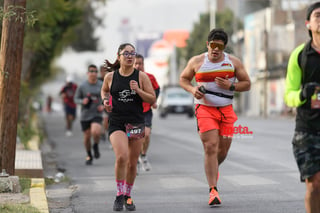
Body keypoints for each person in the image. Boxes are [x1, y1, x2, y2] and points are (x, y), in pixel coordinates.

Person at [179, 28, 250, 206]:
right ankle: (213, 190)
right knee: (211, 146)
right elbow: (183, 79)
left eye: (219, 46)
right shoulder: (196, 61)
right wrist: (193, 90)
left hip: (226, 109)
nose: (215, 49)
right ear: (207, 45)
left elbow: (247, 84)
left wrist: (231, 86)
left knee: (222, 151)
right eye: (213, 45)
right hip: (204, 108)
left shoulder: (233, 62)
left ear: (224, 47)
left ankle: (211, 167)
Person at [101, 43, 156, 211]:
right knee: (121, 157)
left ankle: (128, 195)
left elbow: (152, 99)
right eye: (126, 53)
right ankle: (119, 194)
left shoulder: (141, 77)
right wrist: (105, 101)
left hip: (136, 122)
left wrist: (138, 90)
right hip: (117, 122)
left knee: (132, 163)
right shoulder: (110, 77)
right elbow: (104, 91)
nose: (130, 56)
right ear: (119, 56)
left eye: (133, 53)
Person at [284, 2, 320, 213]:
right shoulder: (299, 55)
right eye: (317, 15)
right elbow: (288, 95)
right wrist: (302, 94)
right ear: (308, 23)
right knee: (315, 184)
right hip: (307, 130)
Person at [134, 54, 160, 172]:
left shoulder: (150, 77)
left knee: (147, 134)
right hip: (133, 112)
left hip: (146, 110)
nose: (139, 66)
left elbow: (157, 89)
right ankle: (135, 161)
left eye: (141, 63)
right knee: (136, 138)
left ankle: (143, 155)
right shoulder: (128, 78)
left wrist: (154, 101)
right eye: (136, 63)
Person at [74, 64, 104, 165]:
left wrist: (103, 105)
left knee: (96, 131)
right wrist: (83, 101)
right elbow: (76, 99)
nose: (93, 73)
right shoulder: (82, 86)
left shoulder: (101, 85)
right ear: (87, 73)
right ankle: (89, 154)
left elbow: (108, 97)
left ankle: (95, 145)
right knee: (87, 137)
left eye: (95, 71)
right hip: (85, 114)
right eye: (91, 71)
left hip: (97, 113)